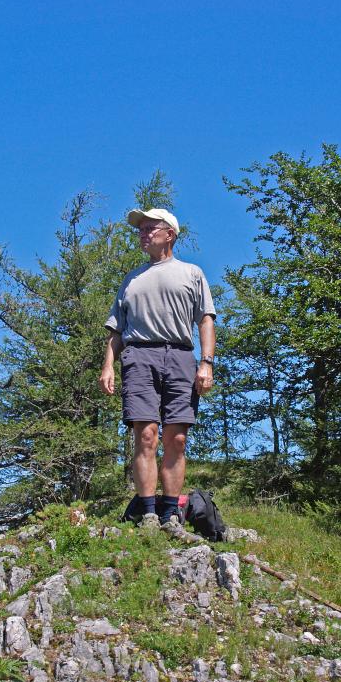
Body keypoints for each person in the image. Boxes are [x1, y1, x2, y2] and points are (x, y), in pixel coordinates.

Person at [99, 207, 216, 527]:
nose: (144, 233)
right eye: (141, 229)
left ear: (170, 234)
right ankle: (148, 513)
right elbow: (116, 332)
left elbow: (205, 320)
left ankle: (170, 513)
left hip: (180, 356)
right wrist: (108, 366)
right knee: (145, 435)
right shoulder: (132, 279)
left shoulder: (192, 273)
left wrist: (206, 363)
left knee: (176, 439)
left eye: (151, 228)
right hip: (138, 357)